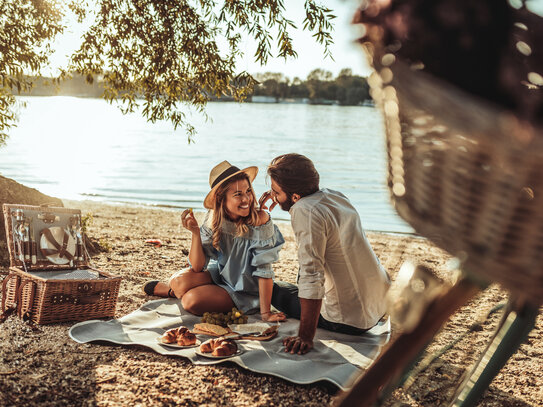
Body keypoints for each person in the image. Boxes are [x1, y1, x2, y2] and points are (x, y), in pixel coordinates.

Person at [259, 153, 391, 354]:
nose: (273, 197)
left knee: (273, 290)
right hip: (379, 304)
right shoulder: (334, 196)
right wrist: (280, 193)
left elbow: (312, 276)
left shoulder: (305, 211)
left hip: (349, 320)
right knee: (297, 276)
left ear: (295, 196)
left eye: (276, 192)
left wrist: (304, 336)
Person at [144, 161, 286, 322]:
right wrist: (195, 233)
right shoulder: (214, 219)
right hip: (220, 274)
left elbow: (264, 271)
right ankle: (173, 290)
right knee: (176, 281)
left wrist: (266, 313)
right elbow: (198, 266)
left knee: (191, 301)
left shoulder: (260, 221)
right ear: (220, 198)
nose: (247, 199)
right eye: (238, 194)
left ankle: (176, 292)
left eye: (248, 191)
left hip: (246, 290)